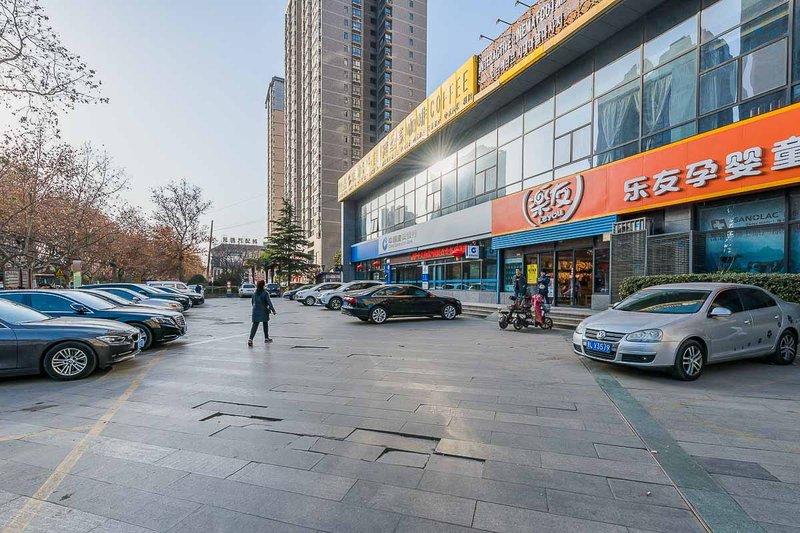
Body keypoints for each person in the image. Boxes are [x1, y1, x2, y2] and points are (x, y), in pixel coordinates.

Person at [248, 280, 276, 346]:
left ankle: (250, 339)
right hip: (264, 310)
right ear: (263, 285)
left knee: (255, 325)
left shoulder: (254, 293)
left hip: (255, 311)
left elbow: (252, 303)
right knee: (265, 324)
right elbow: (269, 302)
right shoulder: (265, 293)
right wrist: (273, 310)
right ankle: (266, 338)